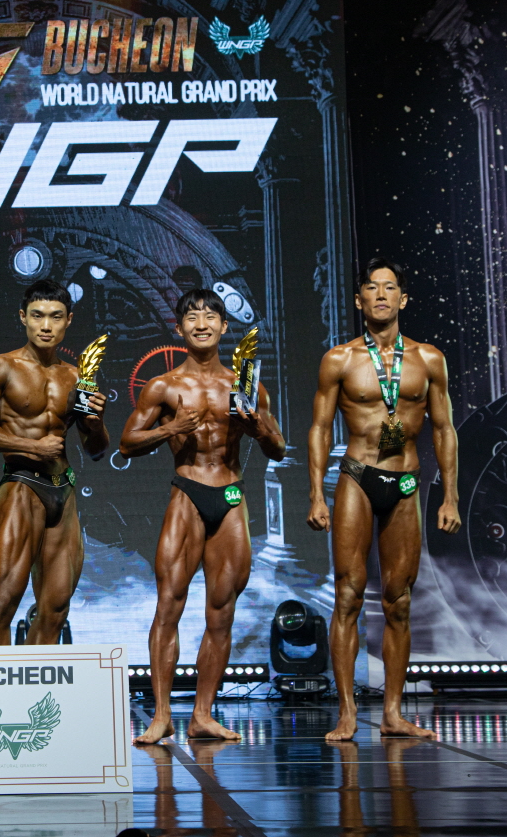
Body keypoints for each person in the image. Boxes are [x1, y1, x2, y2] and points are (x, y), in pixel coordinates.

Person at [120, 288, 285, 743]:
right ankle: (160, 716)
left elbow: (278, 447)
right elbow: (127, 443)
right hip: (188, 492)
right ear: (179, 329)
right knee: (169, 604)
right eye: (192, 317)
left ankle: (203, 715)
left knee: (221, 611)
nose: (202, 323)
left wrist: (257, 428)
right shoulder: (164, 386)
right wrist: (171, 428)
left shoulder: (245, 385)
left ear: (224, 327)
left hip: (230, 494)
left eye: (211, 316)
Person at [307, 257, 461, 742]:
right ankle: (347, 712)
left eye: (389, 287)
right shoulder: (339, 360)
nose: (380, 295)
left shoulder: (429, 359)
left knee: (399, 600)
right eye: (371, 288)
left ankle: (393, 713)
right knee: (348, 594)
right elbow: (319, 428)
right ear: (359, 300)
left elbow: (444, 428)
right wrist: (315, 494)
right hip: (357, 476)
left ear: (403, 299)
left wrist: (451, 497)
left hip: (406, 482)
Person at [0, 280, 109, 646]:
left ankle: (30, 680)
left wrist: (95, 423)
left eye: (56, 317)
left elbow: (96, 450)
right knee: (5, 601)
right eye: (38, 316)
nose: (46, 325)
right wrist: (30, 447)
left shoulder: (76, 376)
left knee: (56, 609)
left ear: (68, 320)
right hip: (22, 485)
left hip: (64, 490)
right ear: (23, 317)